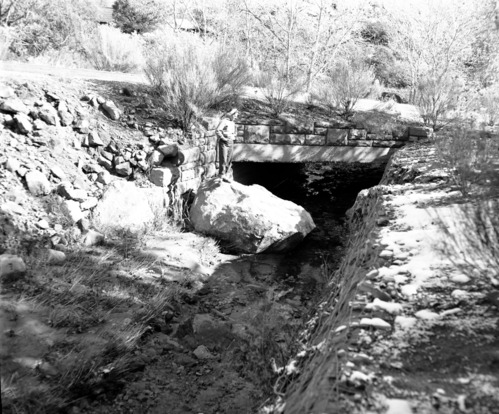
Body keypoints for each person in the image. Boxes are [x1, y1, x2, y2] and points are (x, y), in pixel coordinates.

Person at [215, 108, 238, 182]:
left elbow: (235, 132)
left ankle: (226, 174)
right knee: (223, 158)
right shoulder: (224, 121)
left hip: (231, 142)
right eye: (235, 115)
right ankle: (221, 175)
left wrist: (233, 136)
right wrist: (223, 138)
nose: (236, 117)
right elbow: (218, 130)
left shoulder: (233, 123)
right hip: (224, 142)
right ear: (231, 115)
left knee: (229, 159)